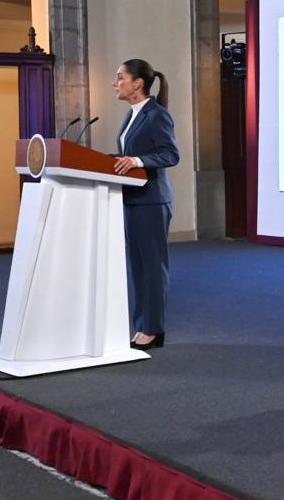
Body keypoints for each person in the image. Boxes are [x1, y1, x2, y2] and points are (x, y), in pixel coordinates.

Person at [112, 59, 180, 351]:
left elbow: (170, 154)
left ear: (138, 83)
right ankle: (142, 326)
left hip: (152, 200)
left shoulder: (157, 115)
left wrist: (137, 161)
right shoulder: (132, 114)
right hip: (133, 199)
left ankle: (153, 329)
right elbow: (127, 154)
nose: (115, 83)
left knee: (152, 267)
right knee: (138, 267)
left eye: (120, 77)